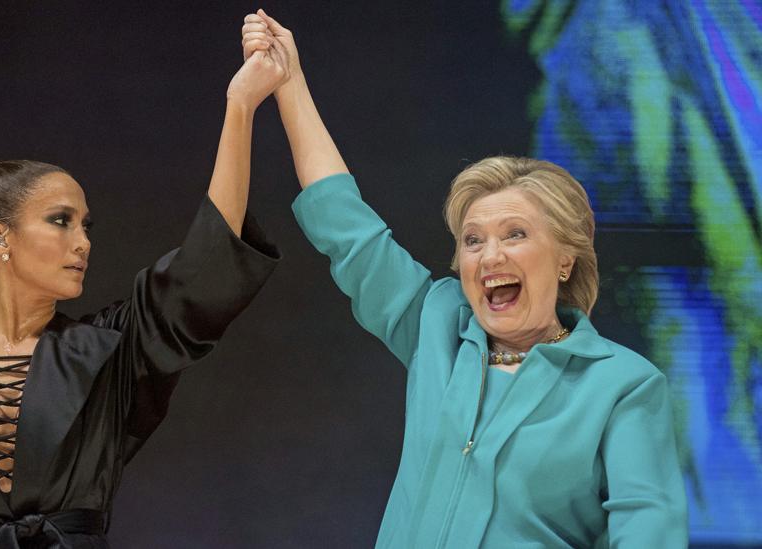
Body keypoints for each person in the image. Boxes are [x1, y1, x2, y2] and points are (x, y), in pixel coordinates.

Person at [242, 10, 687, 548]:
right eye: (472, 240)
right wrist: (290, 84)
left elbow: (649, 535)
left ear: (566, 258)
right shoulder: (437, 323)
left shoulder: (624, 387)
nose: (488, 255)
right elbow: (348, 228)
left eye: (515, 233)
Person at [0, 40, 288, 548]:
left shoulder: (106, 350)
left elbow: (204, 267)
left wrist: (241, 107)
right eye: (60, 221)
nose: (84, 242)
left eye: (86, 225)